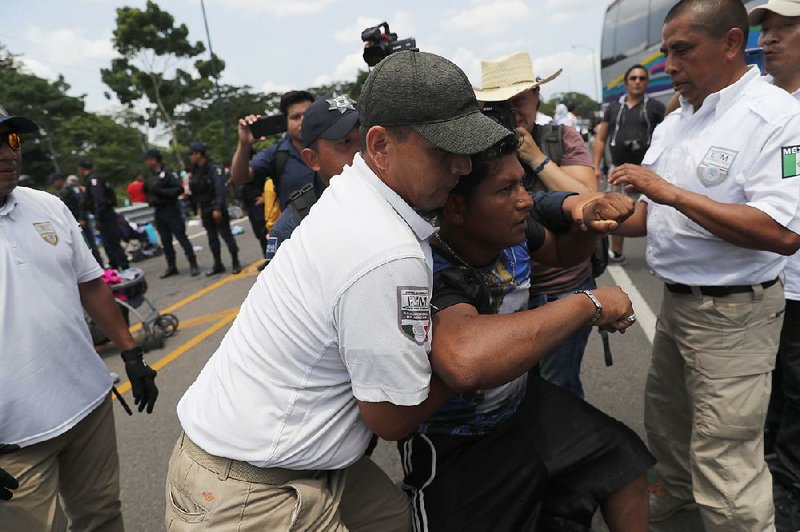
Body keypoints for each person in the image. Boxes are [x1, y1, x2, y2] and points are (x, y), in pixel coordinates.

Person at [165, 50, 513, 531]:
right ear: (380, 145)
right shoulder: (386, 250)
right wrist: (477, 357)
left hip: (291, 459)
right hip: (251, 493)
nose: (462, 167)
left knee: (395, 520)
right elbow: (392, 419)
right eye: (443, 150)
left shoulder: (354, 187)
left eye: (468, 148)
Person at [608, 0, 800, 528]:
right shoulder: (677, 120)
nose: (669, 65)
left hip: (734, 315)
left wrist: (668, 193)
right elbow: (647, 215)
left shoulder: (777, 118)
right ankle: (677, 492)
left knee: (726, 455)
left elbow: (782, 232)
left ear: (732, 44)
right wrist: (605, 217)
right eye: (666, 51)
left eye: (682, 50)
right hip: (677, 303)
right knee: (668, 419)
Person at [399, 136, 652, 532]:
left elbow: (563, 253)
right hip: (455, 438)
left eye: (521, 184)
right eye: (506, 190)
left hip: (521, 404)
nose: (526, 200)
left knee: (624, 463)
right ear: (457, 207)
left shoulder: (510, 235)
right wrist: (590, 304)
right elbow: (466, 360)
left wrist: (590, 224)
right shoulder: (427, 268)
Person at [0, 104, 158, 530]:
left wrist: (130, 354)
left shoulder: (47, 206)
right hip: (12, 439)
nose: (8, 152)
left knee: (103, 517)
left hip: (87, 407)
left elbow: (90, 284)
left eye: (12, 139)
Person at [475, 51, 598, 398]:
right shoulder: (478, 147)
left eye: (519, 101)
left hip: (561, 287)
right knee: (511, 390)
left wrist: (534, 157)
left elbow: (591, 203)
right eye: (499, 104)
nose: (512, 112)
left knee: (558, 388)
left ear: (537, 97)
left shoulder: (561, 138)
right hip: (503, 294)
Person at [750, 1, 800, 529]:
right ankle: (766, 470)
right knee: (768, 385)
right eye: (766, 29)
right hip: (765, 279)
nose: (770, 39)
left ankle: (787, 487)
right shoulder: (760, 106)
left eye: (784, 28)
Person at [265, 92, 360, 261]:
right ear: (312, 159)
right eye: (345, 142)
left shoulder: (401, 191)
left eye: (365, 138)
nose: (361, 153)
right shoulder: (292, 228)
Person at [593, 64, 666, 264]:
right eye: (633, 78)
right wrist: (596, 166)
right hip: (618, 170)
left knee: (654, 213)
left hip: (647, 172)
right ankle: (616, 252)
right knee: (617, 210)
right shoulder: (614, 108)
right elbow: (601, 138)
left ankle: (659, 254)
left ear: (647, 83)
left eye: (642, 78)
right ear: (626, 82)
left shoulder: (656, 108)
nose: (637, 82)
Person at [230, 90, 316, 209]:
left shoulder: (337, 142)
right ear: (286, 122)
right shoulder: (277, 154)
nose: (303, 121)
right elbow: (239, 177)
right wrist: (244, 144)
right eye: (295, 117)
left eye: (308, 114)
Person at [143, 149, 200, 278]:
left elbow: (178, 189)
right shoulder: (149, 176)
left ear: (154, 159)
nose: (147, 163)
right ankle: (171, 266)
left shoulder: (168, 174)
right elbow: (147, 191)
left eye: (148, 159)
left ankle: (193, 263)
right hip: (159, 211)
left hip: (171, 210)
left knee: (181, 237)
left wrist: (161, 192)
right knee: (165, 240)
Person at [188, 141, 241, 276]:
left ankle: (235, 261)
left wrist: (217, 208)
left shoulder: (214, 168)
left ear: (199, 154)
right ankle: (218, 263)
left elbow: (220, 189)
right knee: (212, 238)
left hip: (215, 206)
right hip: (205, 207)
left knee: (226, 235)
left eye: (192, 154)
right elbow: (194, 191)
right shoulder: (195, 170)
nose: (191, 157)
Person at [77, 158, 129, 271]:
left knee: (111, 243)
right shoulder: (97, 177)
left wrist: (98, 218)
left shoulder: (93, 180)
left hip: (105, 216)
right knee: (109, 243)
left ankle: (123, 267)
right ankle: (116, 266)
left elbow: (100, 200)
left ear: (81, 169)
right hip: (106, 214)